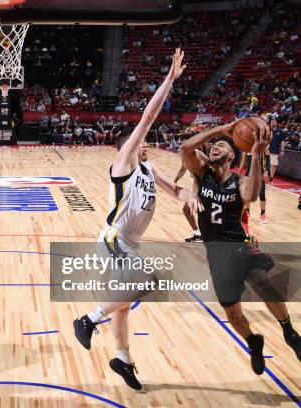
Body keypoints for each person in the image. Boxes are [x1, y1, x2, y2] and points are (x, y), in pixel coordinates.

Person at [72, 49, 199, 390]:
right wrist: (169, 80)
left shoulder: (148, 168)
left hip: (132, 243)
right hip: (114, 238)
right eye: (142, 142)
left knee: (124, 305)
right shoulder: (123, 163)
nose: (148, 144)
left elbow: (175, 190)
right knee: (148, 281)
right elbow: (147, 117)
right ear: (128, 146)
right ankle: (87, 319)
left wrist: (186, 194)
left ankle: (122, 359)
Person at [181, 120, 300, 374]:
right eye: (212, 147)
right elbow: (185, 148)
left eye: (221, 146)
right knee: (234, 316)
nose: (214, 148)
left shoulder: (239, 182)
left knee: (262, 282)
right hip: (217, 257)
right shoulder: (202, 175)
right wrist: (222, 130)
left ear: (232, 155)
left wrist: (256, 155)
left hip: (239, 247)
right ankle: (253, 341)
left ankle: (289, 330)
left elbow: (253, 195)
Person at [268, 119, 288, 184]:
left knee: (273, 165)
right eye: (272, 122)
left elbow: (282, 142)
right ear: (270, 123)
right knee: (265, 165)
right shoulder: (267, 130)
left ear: (276, 123)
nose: (273, 123)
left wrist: (282, 150)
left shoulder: (280, 131)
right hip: (266, 150)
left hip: (275, 150)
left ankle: (271, 178)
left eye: (274, 122)